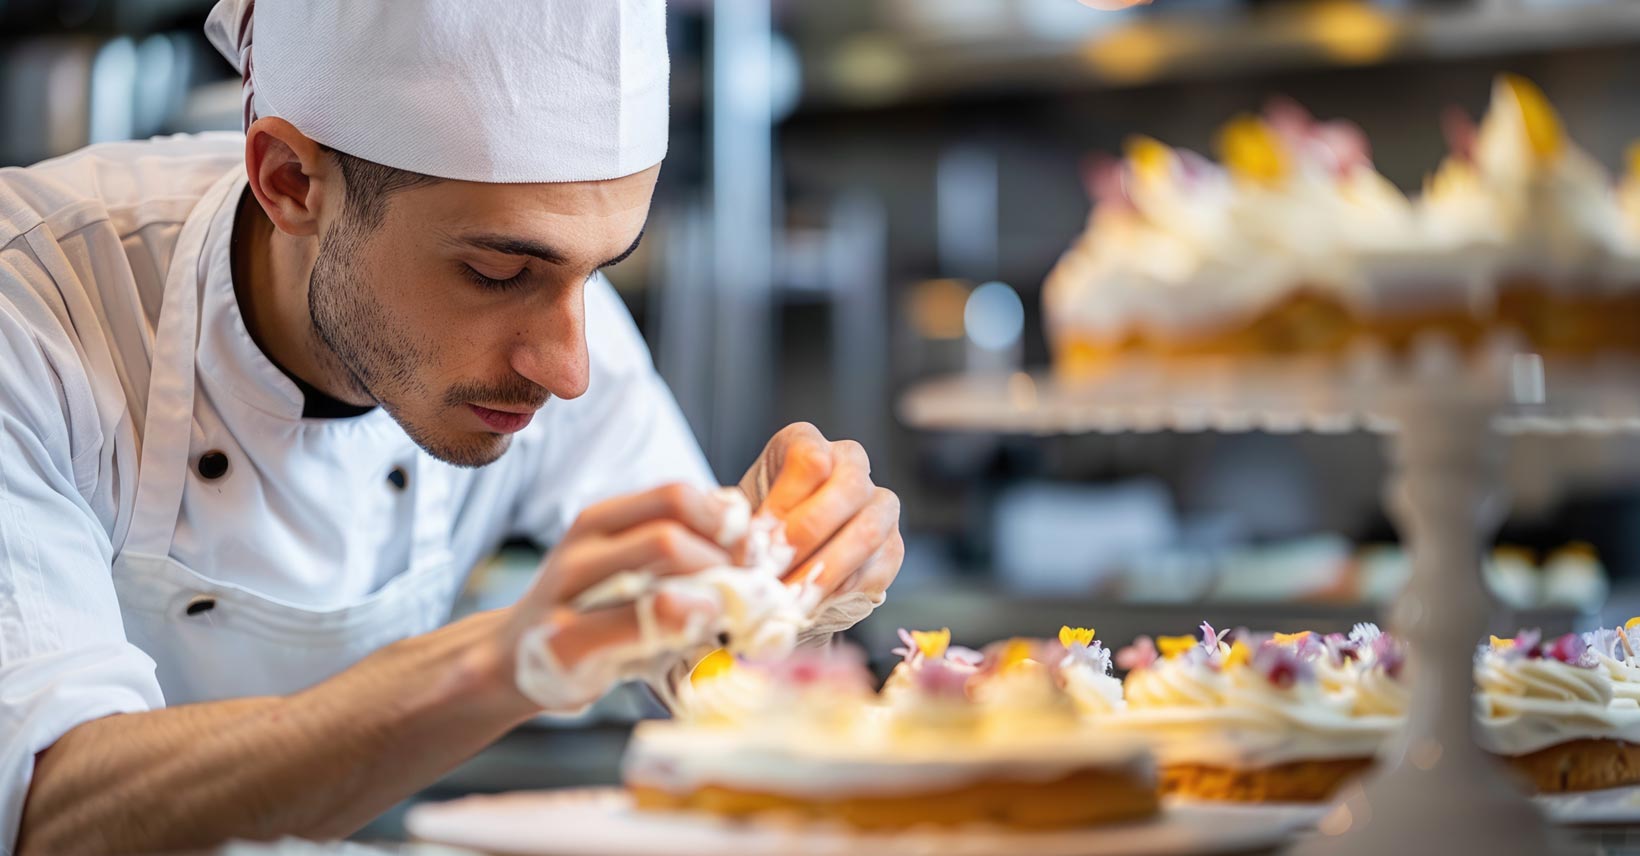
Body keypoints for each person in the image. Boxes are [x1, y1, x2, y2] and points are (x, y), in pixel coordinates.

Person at [0, 1, 901, 852]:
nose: (570, 368)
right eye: (498, 271)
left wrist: (780, 582)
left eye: (600, 273)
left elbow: (705, 662)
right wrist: (498, 665)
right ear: (289, 182)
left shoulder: (559, 324)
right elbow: (47, 812)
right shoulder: (35, 309)